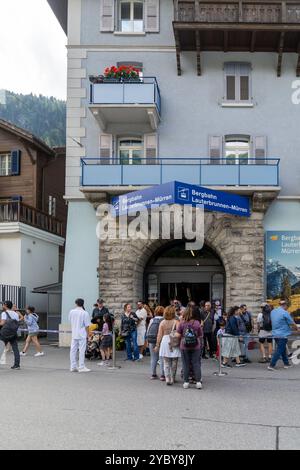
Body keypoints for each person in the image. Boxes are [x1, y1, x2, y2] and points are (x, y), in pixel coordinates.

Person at [176, 305, 203, 390]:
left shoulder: (182, 323)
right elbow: (200, 335)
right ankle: (198, 382)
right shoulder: (197, 323)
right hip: (196, 346)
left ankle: (186, 382)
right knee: (196, 363)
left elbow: (178, 334)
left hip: (184, 346)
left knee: (185, 364)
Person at [268, 300, 298, 371]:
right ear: (285, 305)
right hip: (282, 334)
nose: (287, 308)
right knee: (279, 350)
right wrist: (297, 328)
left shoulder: (273, 312)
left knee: (283, 349)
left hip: (275, 334)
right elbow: (292, 322)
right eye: (287, 306)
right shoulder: (285, 312)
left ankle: (286, 364)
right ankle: (271, 365)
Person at [155, 306, 180, 385]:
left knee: (166, 361)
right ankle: (173, 378)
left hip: (165, 341)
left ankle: (167, 378)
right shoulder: (176, 322)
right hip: (174, 340)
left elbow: (159, 335)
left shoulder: (162, 322)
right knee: (174, 361)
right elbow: (180, 333)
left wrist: (157, 345)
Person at [69, 298, 91, 373]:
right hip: (82, 334)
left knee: (73, 350)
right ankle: (81, 366)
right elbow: (87, 326)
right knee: (82, 350)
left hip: (74, 333)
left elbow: (70, 320)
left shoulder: (71, 312)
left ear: (76, 303)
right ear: (83, 304)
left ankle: (73, 366)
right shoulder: (85, 313)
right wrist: (88, 334)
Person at [0, 301, 21, 370]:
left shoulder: (4, 313)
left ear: (5, 305)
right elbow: (17, 323)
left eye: (3, 305)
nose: (2, 306)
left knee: (1, 347)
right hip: (13, 333)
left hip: (4, 334)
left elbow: (2, 323)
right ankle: (17, 365)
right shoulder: (15, 314)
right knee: (15, 349)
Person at [146, 305, 165, 380]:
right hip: (161, 340)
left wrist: (147, 340)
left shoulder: (152, 320)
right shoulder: (164, 320)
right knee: (162, 358)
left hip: (152, 340)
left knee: (153, 358)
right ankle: (163, 375)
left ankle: (153, 374)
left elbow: (148, 330)